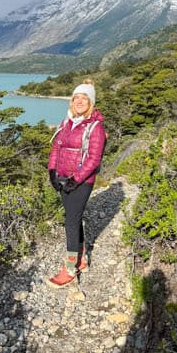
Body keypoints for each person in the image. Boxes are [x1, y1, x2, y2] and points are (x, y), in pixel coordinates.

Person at [47, 79, 106, 288]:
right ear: (72, 101)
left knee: (71, 221)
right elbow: (57, 149)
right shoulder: (67, 123)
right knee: (75, 218)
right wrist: (52, 172)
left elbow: (93, 159)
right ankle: (81, 259)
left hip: (80, 182)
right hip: (63, 179)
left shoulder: (95, 126)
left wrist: (75, 180)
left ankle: (70, 268)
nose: (79, 101)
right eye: (76, 98)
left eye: (84, 98)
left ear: (91, 102)